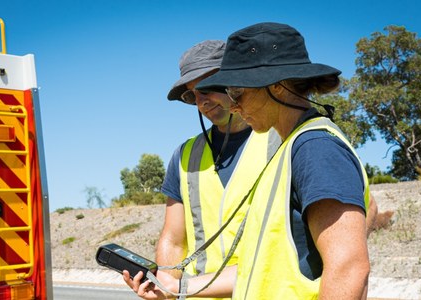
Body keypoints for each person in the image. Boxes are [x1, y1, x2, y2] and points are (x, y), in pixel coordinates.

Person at [125, 22, 372, 299]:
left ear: (277, 87)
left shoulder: (315, 147)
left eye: (238, 93)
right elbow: (261, 263)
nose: (235, 105)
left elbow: (348, 267)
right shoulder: (288, 149)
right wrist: (176, 287)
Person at [144, 40, 281, 300]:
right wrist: (164, 285)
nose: (201, 103)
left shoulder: (284, 140)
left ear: (237, 80)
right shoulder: (185, 156)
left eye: (207, 88)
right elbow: (173, 239)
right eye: (192, 95)